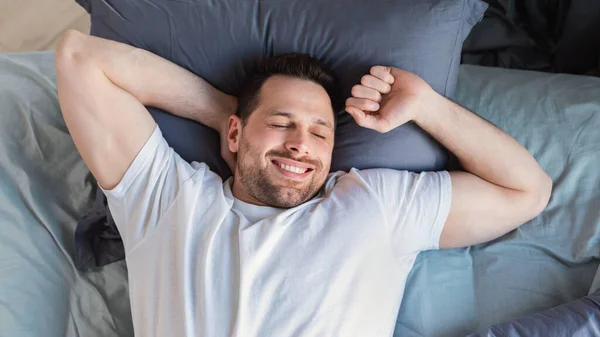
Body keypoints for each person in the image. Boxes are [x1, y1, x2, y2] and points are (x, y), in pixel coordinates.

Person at [55, 30, 552, 337]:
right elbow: (80, 56)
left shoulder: (374, 204)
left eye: (320, 132)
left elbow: (526, 191)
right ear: (234, 129)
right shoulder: (167, 198)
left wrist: (427, 106)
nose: (300, 144)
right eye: (281, 122)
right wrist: (231, 115)